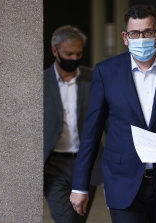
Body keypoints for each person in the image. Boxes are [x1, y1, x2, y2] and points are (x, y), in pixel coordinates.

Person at [70, 5, 156, 223]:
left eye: (148, 32)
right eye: (134, 33)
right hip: (122, 182)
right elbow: (91, 134)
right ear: (125, 37)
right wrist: (79, 185)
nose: (141, 38)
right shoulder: (106, 72)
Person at [43, 25, 102, 223]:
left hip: (86, 163)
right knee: (64, 219)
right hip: (54, 165)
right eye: (68, 53)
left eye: (78, 53)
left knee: (78, 219)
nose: (74, 59)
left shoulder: (93, 78)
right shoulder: (41, 82)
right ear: (55, 50)